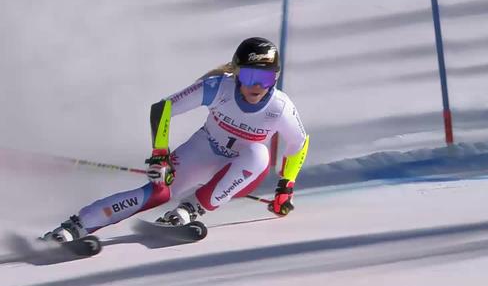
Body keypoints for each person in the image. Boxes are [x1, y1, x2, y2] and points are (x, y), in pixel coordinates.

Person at [43, 37, 309, 242]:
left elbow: (299, 143)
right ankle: (75, 226)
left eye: (265, 78)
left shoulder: (280, 107)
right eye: (251, 76)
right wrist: (161, 155)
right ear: (237, 73)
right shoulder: (218, 87)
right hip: (204, 149)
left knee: (258, 154)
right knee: (156, 193)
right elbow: (164, 108)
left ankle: (190, 210)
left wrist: (286, 186)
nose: (257, 87)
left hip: (244, 169)